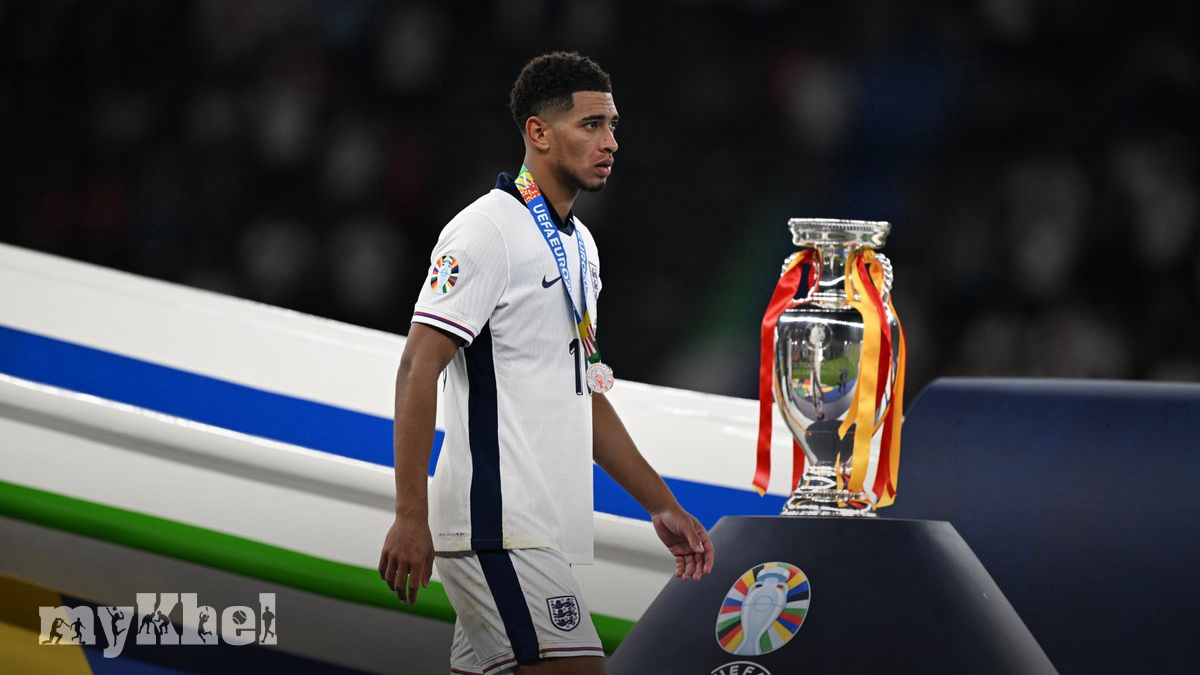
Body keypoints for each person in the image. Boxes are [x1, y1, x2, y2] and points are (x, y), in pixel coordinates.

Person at [377, 51, 714, 675]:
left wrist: (661, 504)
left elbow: (582, 395)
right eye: (591, 125)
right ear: (539, 132)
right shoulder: (486, 230)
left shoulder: (581, 246)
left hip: (536, 528)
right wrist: (408, 515)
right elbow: (417, 368)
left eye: (612, 126)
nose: (610, 142)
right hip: (496, 526)